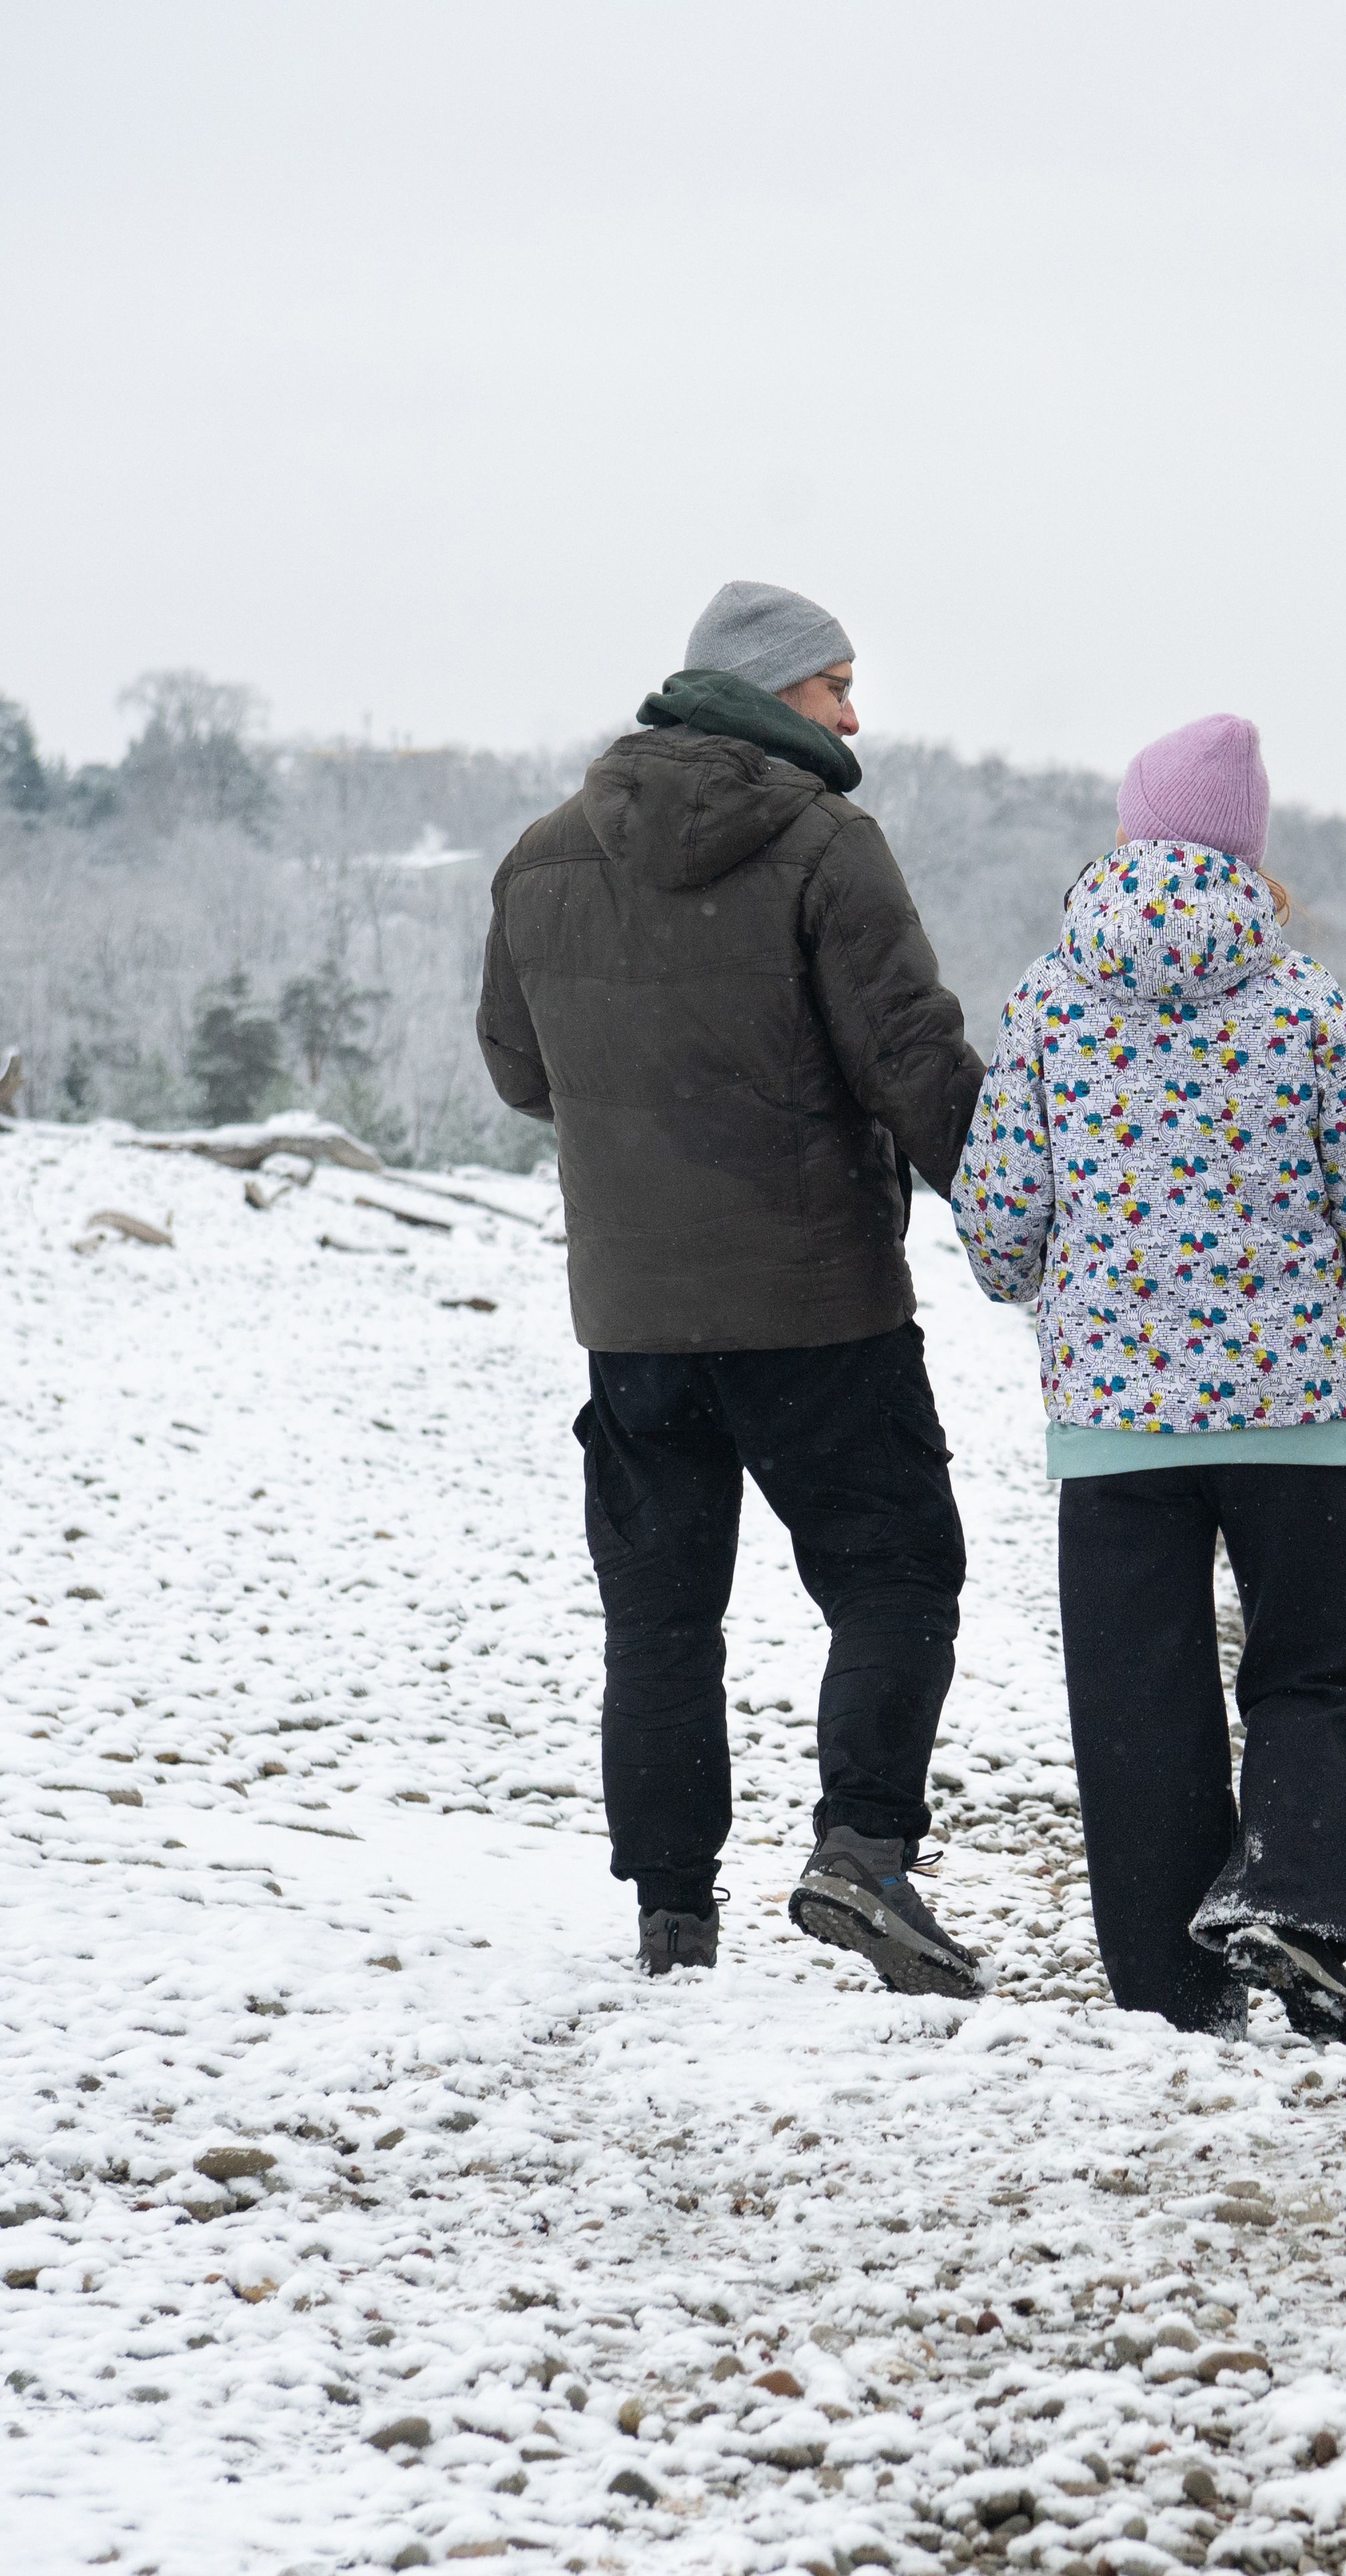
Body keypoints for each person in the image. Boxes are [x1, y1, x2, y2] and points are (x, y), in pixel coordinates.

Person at [478, 580, 989, 1994]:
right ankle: (864, 1852)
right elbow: (918, 1067)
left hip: (635, 1320)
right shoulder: (830, 849)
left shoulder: (541, 858)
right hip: (820, 1306)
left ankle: (672, 1914)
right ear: (772, 695)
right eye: (836, 686)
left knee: (660, 1616)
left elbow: (523, 1074)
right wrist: (1028, 1220)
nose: (855, 713)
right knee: (895, 1577)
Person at [953, 713, 1346, 2040]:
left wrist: (1037, 1283)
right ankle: (1287, 1893)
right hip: (1293, 1413)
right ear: (1250, 853)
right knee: (1316, 1665)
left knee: (1136, 1693)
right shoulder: (1305, 1002)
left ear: (1127, 835)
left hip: (1116, 1422)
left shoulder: (1052, 998)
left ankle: (1173, 1986)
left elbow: (1000, 1212)